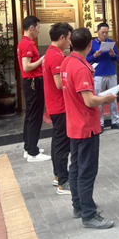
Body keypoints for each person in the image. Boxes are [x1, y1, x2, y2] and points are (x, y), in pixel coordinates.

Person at [61, 28, 117, 229]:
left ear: (71, 43)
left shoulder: (67, 62)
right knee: (87, 170)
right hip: (86, 126)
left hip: (74, 124)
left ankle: (79, 206)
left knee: (76, 167)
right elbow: (90, 100)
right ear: (89, 45)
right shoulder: (80, 68)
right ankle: (89, 214)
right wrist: (107, 98)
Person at [43, 22, 73, 195]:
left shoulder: (51, 52)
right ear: (62, 37)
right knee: (62, 144)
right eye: (69, 38)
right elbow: (59, 84)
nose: (70, 42)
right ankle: (63, 181)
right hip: (60, 106)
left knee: (57, 142)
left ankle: (57, 176)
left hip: (54, 105)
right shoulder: (56, 56)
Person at [17, 15, 51, 162]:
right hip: (33, 83)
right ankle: (33, 152)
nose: (39, 30)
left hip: (31, 82)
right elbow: (26, 66)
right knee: (35, 117)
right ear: (31, 27)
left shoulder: (24, 42)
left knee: (30, 116)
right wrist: (42, 59)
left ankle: (28, 147)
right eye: (38, 27)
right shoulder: (27, 44)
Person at [86, 22, 119, 131]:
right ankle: (100, 124)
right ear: (97, 31)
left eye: (106, 32)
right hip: (98, 75)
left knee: (113, 98)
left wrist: (113, 54)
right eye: (103, 32)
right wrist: (95, 55)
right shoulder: (92, 44)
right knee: (99, 100)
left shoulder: (110, 42)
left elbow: (117, 58)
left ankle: (115, 122)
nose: (104, 34)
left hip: (111, 73)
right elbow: (86, 59)